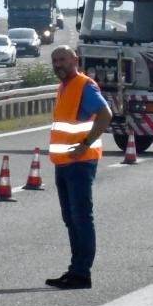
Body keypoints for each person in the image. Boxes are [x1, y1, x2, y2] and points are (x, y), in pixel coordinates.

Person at [46, 46, 113, 289]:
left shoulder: (84, 85)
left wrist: (85, 144)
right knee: (71, 218)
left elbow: (106, 114)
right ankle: (75, 269)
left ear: (75, 60)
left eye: (63, 59)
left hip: (79, 164)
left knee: (81, 217)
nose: (58, 64)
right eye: (55, 61)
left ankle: (82, 273)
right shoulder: (63, 87)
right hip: (64, 163)